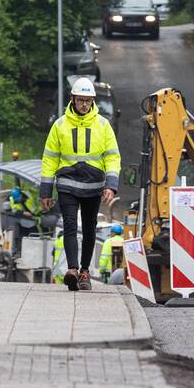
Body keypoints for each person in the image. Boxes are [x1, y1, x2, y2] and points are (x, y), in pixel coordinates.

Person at [40, 77, 120, 292]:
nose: (84, 104)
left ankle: (85, 271)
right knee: (69, 225)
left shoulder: (103, 125)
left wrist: (111, 185)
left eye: (88, 100)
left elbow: (112, 157)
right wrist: (46, 191)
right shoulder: (60, 125)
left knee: (90, 228)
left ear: (92, 101)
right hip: (67, 184)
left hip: (94, 185)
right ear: (73, 99)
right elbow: (49, 159)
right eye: (80, 100)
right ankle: (73, 270)